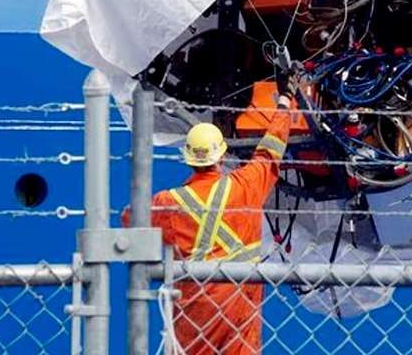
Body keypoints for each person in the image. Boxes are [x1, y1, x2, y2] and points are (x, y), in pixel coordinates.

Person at [123, 70, 297, 355]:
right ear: (222, 155)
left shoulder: (168, 203)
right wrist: (285, 102)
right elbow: (270, 154)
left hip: (194, 315)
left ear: (188, 158)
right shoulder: (245, 187)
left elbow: (130, 220)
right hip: (239, 314)